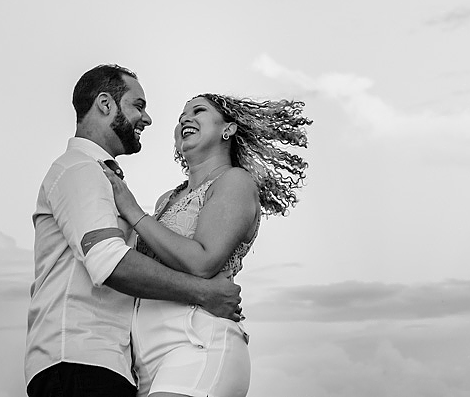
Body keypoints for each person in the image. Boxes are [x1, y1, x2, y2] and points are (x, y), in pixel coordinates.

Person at [26, 65, 243, 397]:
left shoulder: (105, 179)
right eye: (137, 105)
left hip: (122, 362)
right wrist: (204, 293)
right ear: (105, 104)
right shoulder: (81, 170)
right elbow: (109, 261)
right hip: (80, 360)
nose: (148, 119)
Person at [100, 92, 311, 397]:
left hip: (198, 343)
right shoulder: (166, 200)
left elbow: (203, 262)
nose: (186, 118)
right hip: (144, 361)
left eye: (198, 111)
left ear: (228, 129)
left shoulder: (235, 182)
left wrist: (132, 210)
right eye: (181, 116)